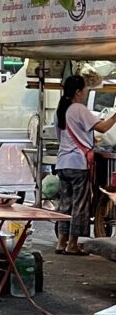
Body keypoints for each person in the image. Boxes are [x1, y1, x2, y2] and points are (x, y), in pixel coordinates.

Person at [54, 74, 116, 255]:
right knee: (79, 205)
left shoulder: (61, 109)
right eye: (85, 89)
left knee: (65, 204)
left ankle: (61, 242)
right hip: (77, 163)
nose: (86, 92)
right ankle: (72, 244)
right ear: (78, 92)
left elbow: (60, 137)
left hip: (62, 162)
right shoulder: (78, 109)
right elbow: (103, 128)